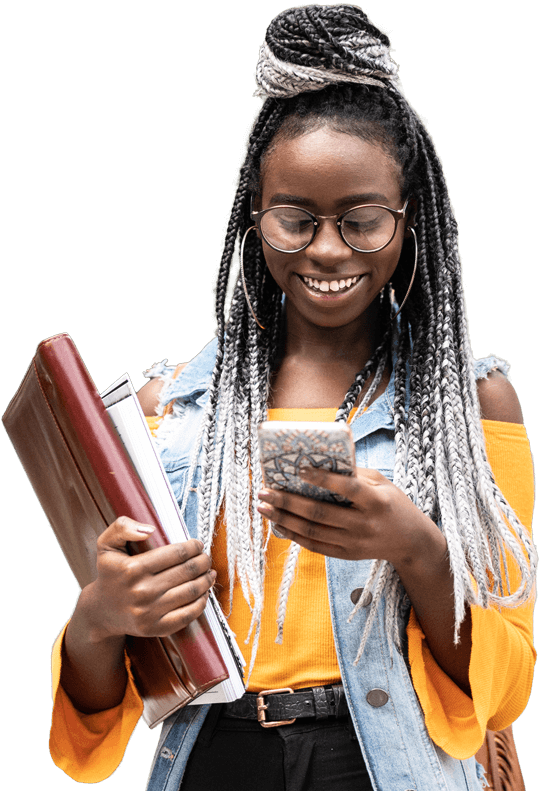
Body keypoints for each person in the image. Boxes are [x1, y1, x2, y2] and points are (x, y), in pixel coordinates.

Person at [49, 5, 536, 789]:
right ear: (253, 217)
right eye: (295, 219)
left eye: (363, 219)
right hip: (213, 758)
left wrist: (416, 548)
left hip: (387, 763)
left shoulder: (472, 407)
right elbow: (110, 706)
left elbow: (506, 685)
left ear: (411, 221)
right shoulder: (168, 410)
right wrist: (100, 616)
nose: (329, 249)